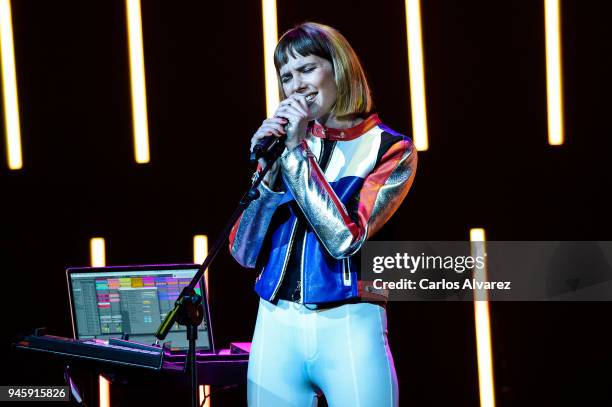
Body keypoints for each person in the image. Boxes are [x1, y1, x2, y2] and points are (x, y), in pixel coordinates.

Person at [229, 22, 417, 407]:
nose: (296, 84)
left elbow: (345, 239)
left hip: (348, 324)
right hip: (275, 322)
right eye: (286, 76)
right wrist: (268, 174)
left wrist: (296, 154)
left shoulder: (390, 149)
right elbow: (242, 253)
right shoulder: (285, 145)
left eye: (307, 68)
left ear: (340, 68)